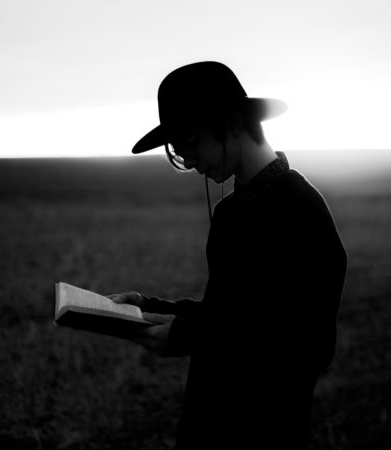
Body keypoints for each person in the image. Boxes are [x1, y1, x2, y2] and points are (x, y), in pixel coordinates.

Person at [108, 61, 347, 449]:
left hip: (265, 429)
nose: (189, 160)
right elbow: (231, 313)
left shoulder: (302, 209)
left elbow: (306, 344)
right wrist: (150, 308)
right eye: (178, 152)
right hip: (207, 423)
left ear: (232, 124)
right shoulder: (230, 211)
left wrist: (187, 336)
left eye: (190, 143)